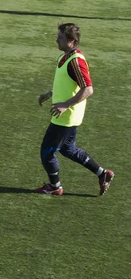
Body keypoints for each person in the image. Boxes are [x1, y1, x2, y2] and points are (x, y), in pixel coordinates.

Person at [36, 23, 114, 196]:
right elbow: (66, 84)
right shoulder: (64, 57)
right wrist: (49, 94)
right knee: (68, 149)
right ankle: (103, 174)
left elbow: (88, 89)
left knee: (47, 152)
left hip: (66, 117)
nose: (56, 39)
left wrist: (65, 104)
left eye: (61, 37)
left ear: (72, 41)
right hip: (67, 115)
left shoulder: (76, 62)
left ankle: (55, 187)